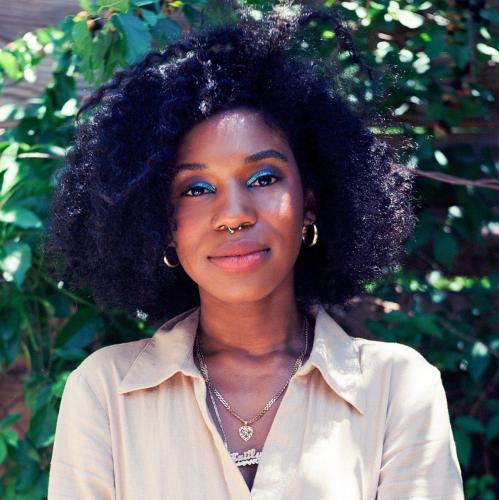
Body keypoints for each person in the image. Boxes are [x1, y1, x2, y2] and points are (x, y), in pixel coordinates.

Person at [46, 6, 464, 499]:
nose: (234, 215)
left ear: (309, 203)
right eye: (196, 189)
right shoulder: (105, 392)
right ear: (161, 225)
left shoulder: (396, 388)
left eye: (263, 178)